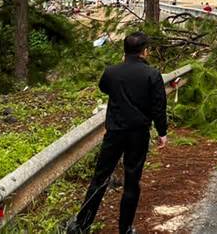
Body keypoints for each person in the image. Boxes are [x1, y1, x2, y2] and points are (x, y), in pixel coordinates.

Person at [68, 32, 168, 234]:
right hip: (138, 134)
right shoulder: (152, 74)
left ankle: (82, 224)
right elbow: (159, 106)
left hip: (114, 131)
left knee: (100, 177)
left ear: (124, 50)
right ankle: (125, 228)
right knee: (132, 181)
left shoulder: (111, 72)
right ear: (144, 51)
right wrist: (162, 132)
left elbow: (104, 88)